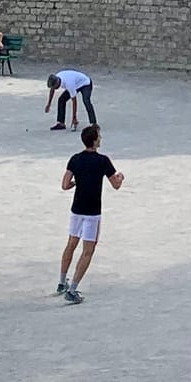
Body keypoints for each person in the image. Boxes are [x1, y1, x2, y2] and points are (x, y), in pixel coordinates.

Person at [56, 124, 124, 303]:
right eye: (99, 136)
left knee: (71, 244)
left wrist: (76, 184)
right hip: (93, 212)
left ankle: (62, 282)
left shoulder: (75, 159)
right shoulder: (103, 161)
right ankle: (73, 290)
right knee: (88, 251)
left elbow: (64, 184)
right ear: (94, 140)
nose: (101, 138)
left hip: (76, 209)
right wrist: (121, 177)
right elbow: (115, 185)